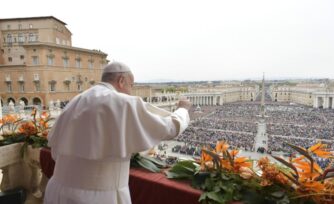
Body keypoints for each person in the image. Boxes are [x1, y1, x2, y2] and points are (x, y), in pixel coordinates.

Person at [44, 61, 191, 204]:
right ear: (121, 80)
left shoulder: (76, 100)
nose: (130, 91)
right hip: (98, 197)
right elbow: (169, 128)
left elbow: (56, 151)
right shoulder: (122, 102)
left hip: (58, 190)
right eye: (131, 85)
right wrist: (182, 109)